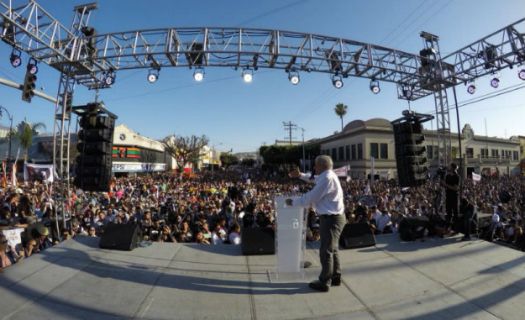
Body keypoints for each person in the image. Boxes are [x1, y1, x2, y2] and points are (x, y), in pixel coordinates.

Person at [287, 155, 345, 292]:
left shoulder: (327, 178)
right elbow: (313, 178)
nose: (313, 167)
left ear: (321, 166)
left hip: (331, 219)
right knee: (332, 249)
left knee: (326, 251)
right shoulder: (327, 176)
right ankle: (336, 277)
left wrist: (293, 203)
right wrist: (300, 175)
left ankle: (324, 281)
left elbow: (311, 197)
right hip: (334, 218)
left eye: (315, 165)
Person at [443, 163, 460, 232]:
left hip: (454, 197)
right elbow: (445, 186)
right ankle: (447, 228)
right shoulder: (447, 176)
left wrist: (446, 185)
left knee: (455, 213)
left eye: (450, 167)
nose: (448, 168)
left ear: (453, 168)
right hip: (448, 196)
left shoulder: (457, 176)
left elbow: (455, 188)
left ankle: (456, 229)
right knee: (448, 213)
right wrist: (442, 183)